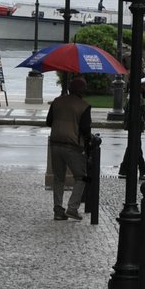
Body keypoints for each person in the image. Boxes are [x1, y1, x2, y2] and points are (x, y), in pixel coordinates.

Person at [45, 76, 92, 220]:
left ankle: (58, 210)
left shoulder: (57, 102)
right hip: (72, 145)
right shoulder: (83, 106)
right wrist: (88, 147)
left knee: (59, 178)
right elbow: (85, 129)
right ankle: (72, 208)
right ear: (82, 90)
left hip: (55, 143)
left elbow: (48, 122)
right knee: (81, 177)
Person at [118, 77, 145, 180]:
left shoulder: (135, 94)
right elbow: (135, 111)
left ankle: (124, 169)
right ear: (141, 86)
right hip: (135, 126)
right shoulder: (136, 96)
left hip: (135, 125)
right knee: (136, 148)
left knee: (132, 147)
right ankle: (142, 169)